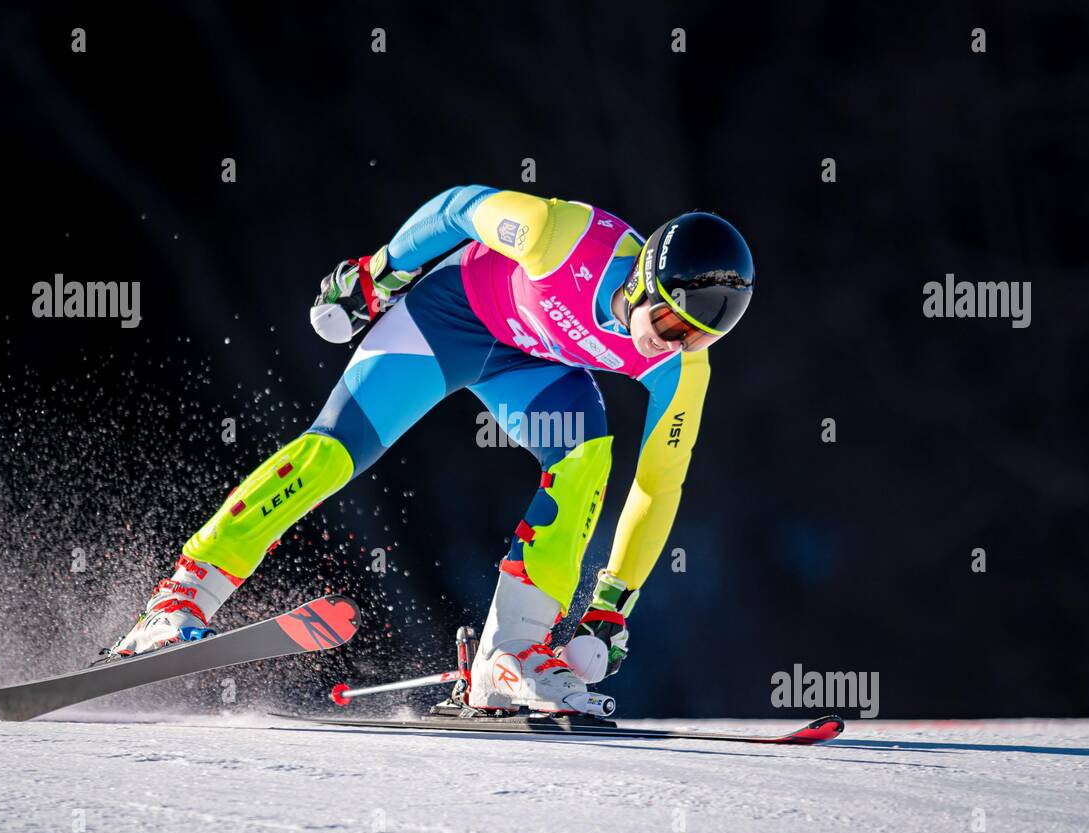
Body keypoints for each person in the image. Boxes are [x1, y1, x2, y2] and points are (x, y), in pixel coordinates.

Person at [101, 185, 755, 715]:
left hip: (533, 364)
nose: (671, 347)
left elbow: (658, 485)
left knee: (589, 458)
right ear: (644, 280)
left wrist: (614, 604)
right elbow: (458, 207)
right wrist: (380, 273)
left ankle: (512, 656)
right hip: (452, 316)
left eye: (696, 340)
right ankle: (178, 598)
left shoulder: (681, 370)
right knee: (334, 451)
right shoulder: (564, 237)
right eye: (669, 323)